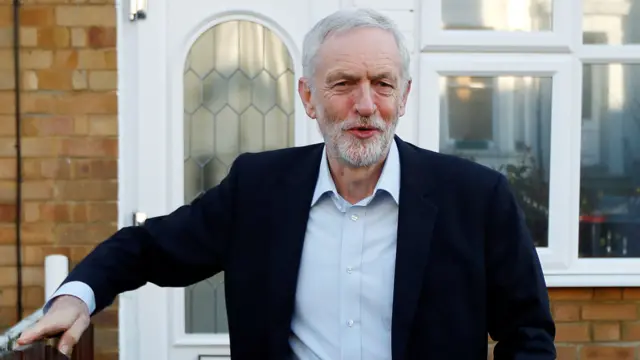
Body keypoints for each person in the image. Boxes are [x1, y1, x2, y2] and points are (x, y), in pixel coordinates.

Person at [17, 7, 556, 360]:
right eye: (343, 84)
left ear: (405, 95)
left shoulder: (477, 197)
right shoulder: (259, 188)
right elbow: (148, 246)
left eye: (382, 84)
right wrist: (78, 297)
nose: (365, 105)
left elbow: (528, 335)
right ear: (307, 97)